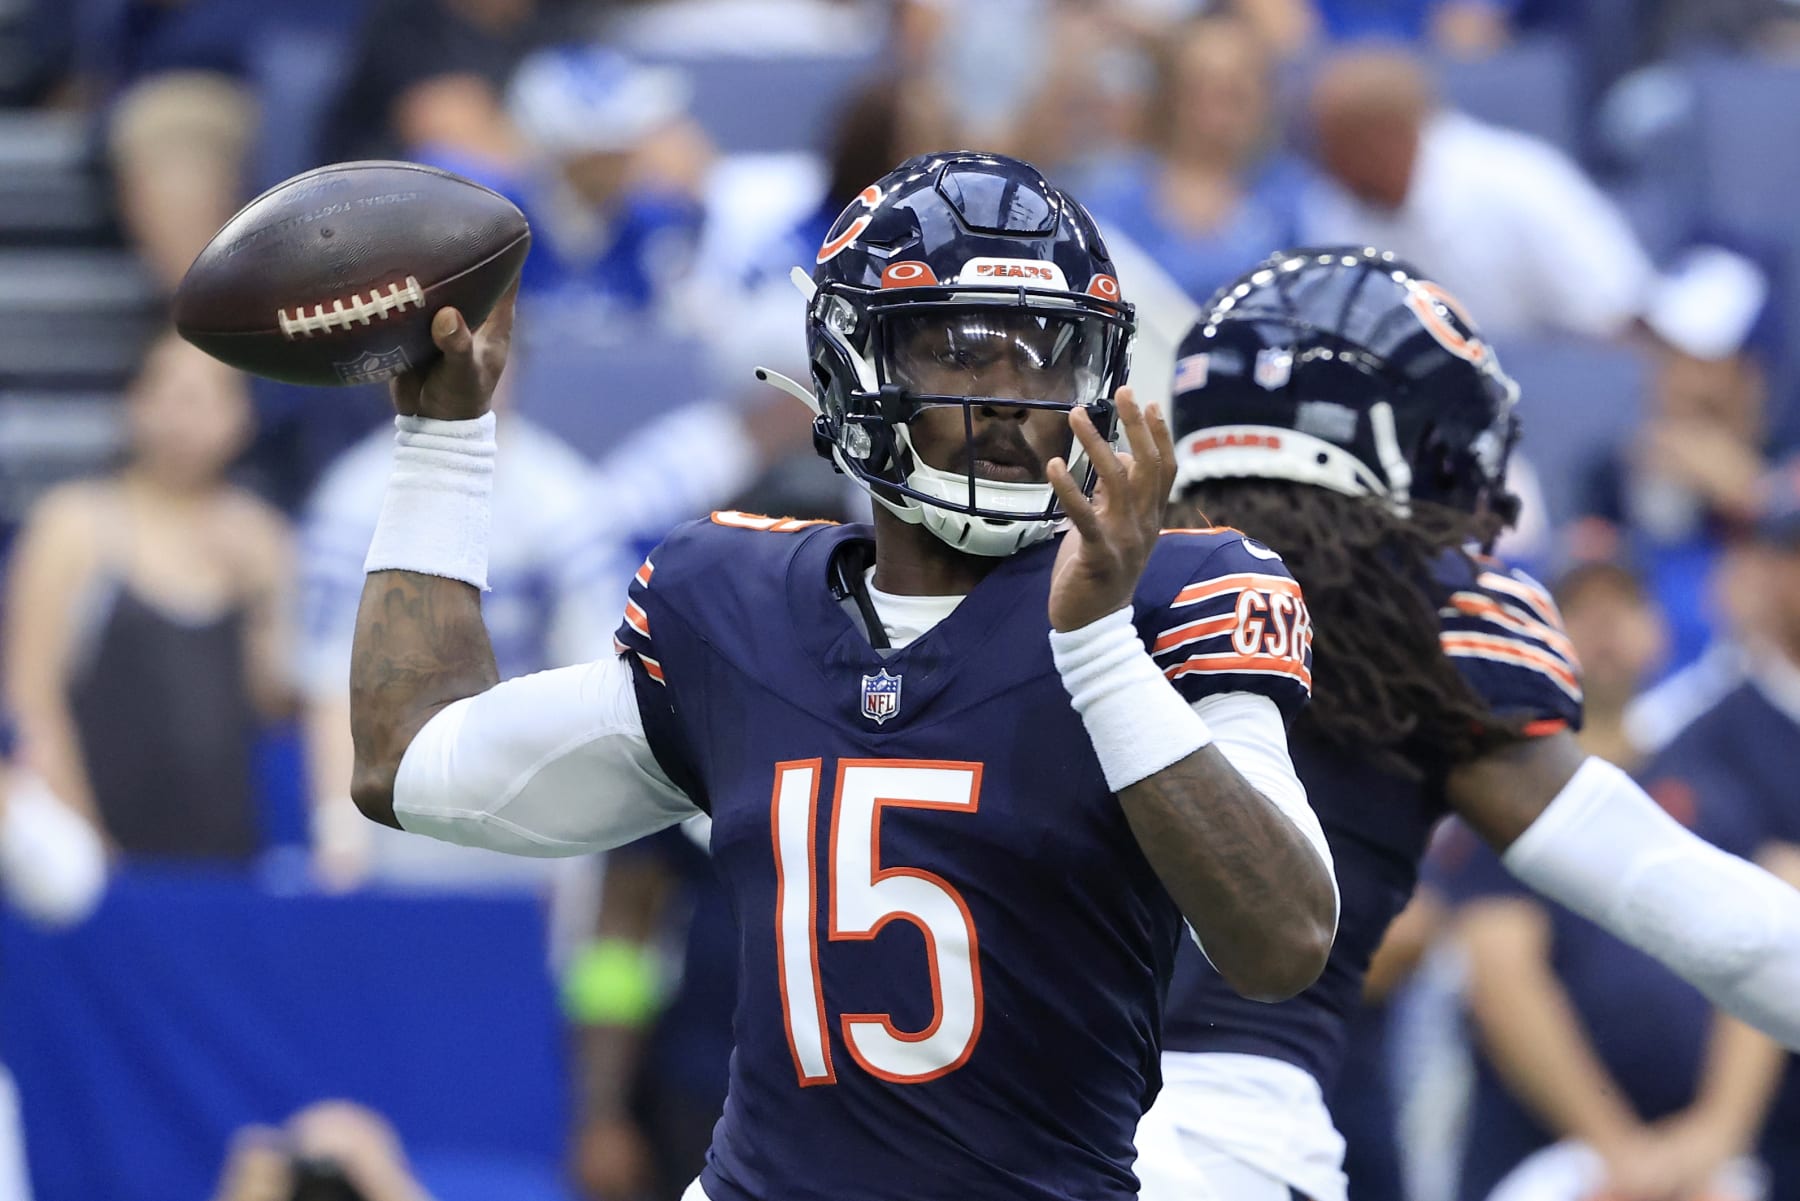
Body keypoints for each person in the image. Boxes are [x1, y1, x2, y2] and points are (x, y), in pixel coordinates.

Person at [339, 151, 1338, 1200]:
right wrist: (443, 439)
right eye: (961, 350)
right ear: (852, 363)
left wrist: (1097, 645)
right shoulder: (735, 608)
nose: (1011, 399)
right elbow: (409, 760)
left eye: (1046, 357)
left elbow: (1284, 940)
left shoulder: (1175, 599)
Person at [1132, 246, 1800, 1201]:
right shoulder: (1425, 629)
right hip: (1234, 1141)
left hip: (1009, 1133)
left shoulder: (1075, 590)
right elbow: (1703, 911)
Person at [3, 333, 292, 861]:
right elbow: (31, 699)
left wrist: (264, 606)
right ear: (134, 402)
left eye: (202, 398)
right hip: (96, 851)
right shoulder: (74, 526)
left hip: (225, 854)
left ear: (241, 417)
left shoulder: (261, 540)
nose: (181, 418)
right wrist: (83, 842)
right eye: (167, 393)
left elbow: (275, 708)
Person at [1298, 48, 1654, 340]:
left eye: (1332, 148)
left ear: (1383, 141)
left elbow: (1621, 321)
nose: (1324, 166)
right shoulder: (1333, 206)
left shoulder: (1519, 183)